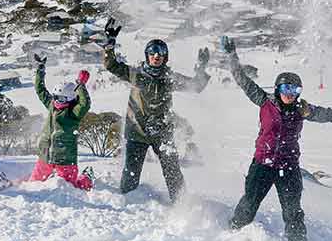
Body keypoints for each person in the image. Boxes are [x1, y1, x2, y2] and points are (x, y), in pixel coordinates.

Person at [221, 36, 332, 241]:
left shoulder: (304, 110)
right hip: (262, 165)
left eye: (295, 90)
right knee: (248, 205)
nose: (290, 95)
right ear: (277, 90)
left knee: (293, 213)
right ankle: (230, 236)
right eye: (286, 89)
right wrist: (231, 55)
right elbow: (242, 80)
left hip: (289, 167)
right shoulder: (264, 101)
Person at [102, 18, 211, 202]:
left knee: (173, 171)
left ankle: (181, 204)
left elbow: (196, 85)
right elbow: (111, 66)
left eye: (160, 52)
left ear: (165, 57)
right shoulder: (136, 74)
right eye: (152, 52)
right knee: (130, 174)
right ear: (147, 55)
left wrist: (201, 68)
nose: (156, 55)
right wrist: (109, 46)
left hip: (162, 132)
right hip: (137, 131)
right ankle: (127, 204)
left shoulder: (169, 78)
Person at [28, 53, 94, 190]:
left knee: (71, 187)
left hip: (65, 159)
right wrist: (40, 70)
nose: (57, 101)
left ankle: (87, 177)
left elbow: (85, 104)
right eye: (56, 97)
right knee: (32, 185)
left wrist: (81, 85)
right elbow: (40, 90)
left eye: (62, 99)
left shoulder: (73, 113)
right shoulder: (52, 106)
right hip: (46, 156)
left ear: (70, 99)